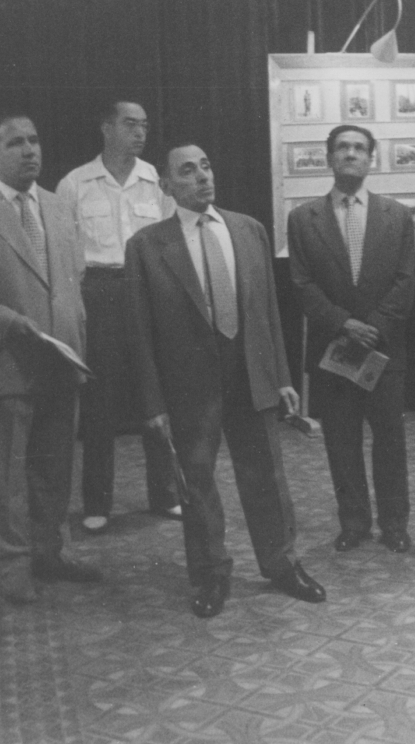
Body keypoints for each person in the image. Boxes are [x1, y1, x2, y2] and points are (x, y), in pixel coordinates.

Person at [124, 141, 326, 618]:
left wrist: (281, 376)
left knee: (267, 476)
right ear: (168, 185)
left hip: (250, 375)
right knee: (197, 482)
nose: (202, 177)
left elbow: (268, 314)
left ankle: (281, 563)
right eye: (188, 171)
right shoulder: (148, 247)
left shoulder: (248, 230)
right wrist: (153, 403)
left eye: (207, 166)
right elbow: (139, 335)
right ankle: (211, 574)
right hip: (190, 386)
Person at [0, 112, 99, 606]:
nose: (30, 150)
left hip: (60, 361)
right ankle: (12, 567)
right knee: (5, 474)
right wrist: (11, 323)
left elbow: (71, 283)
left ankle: (49, 552)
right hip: (4, 364)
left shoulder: (56, 207)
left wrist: (75, 338)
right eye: (15, 143)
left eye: (34, 140)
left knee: (54, 469)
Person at [288, 125, 415, 553]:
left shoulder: (396, 216)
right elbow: (302, 285)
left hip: (384, 350)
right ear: (329, 158)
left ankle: (395, 523)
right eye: (342, 147)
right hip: (334, 349)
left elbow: (405, 281)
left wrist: (374, 326)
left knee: (390, 440)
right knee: (341, 441)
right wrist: (344, 324)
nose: (351, 154)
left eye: (360, 148)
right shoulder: (303, 218)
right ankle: (354, 521)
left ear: (371, 159)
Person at [55, 100, 180, 534]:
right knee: (99, 402)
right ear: (106, 127)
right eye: (130, 124)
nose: (140, 132)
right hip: (100, 291)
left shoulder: (157, 182)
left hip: (148, 288)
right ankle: (97, 502)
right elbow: (67, 253)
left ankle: (165, 493)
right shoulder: (74, 184)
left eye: (145, 125)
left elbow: (171, 241)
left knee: (157, 392)